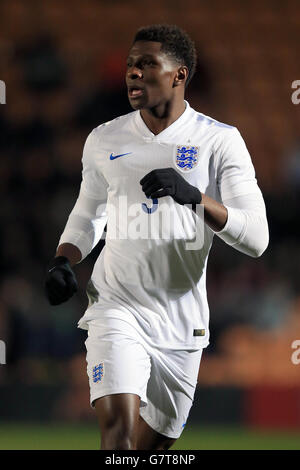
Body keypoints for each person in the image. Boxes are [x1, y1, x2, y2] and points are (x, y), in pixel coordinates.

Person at [45, 24, 269, 450]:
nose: (133, 72)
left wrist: (193, 196)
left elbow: (256, 238)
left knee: (153, 450)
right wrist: (63, 259)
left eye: (147, 64)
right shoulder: (104, 139)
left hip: (182, 324)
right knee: (118, 436)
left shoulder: (220, 141)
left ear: (179, 75)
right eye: (131, 64)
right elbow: (87, 215)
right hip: (116, 307)